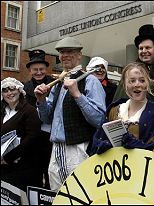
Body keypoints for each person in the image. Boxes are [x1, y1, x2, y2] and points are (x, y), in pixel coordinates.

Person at [34, 36, 106, 192]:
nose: (64, 55)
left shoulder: (90, 81)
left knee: (80, 194)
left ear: (79, 55)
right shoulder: (59, 82)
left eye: (69, 51)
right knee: (58, 196)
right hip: (56, 149)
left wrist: (77, 95)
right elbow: (46, 119)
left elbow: (99, 120)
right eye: (61, 52)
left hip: (78, 149)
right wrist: (40, 101)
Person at [87, 62, 154, 156]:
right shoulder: (113, 110)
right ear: (124, 84)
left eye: (142, 80)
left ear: (148, 83)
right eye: (132, 81)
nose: (137, 85)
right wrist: (105, 146)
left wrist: (137, 146)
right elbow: (97, 142)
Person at [1, 77, 44, 191]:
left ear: (19, 91)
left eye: (12, 89)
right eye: (5, 90)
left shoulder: (29, 111)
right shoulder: (2, 112)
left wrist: (9, 158)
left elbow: (32, 138)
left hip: (24, 167)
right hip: (4, 167)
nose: (9, 93)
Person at [24, 49, 54, 189]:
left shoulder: (55, 84)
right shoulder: (24, 88)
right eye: (35, 69)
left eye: (41, 69)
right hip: (33, 139)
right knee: (33, 175)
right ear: (30, 70)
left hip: (50, 138)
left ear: (46, 69)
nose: (38, 72)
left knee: (51, 174)